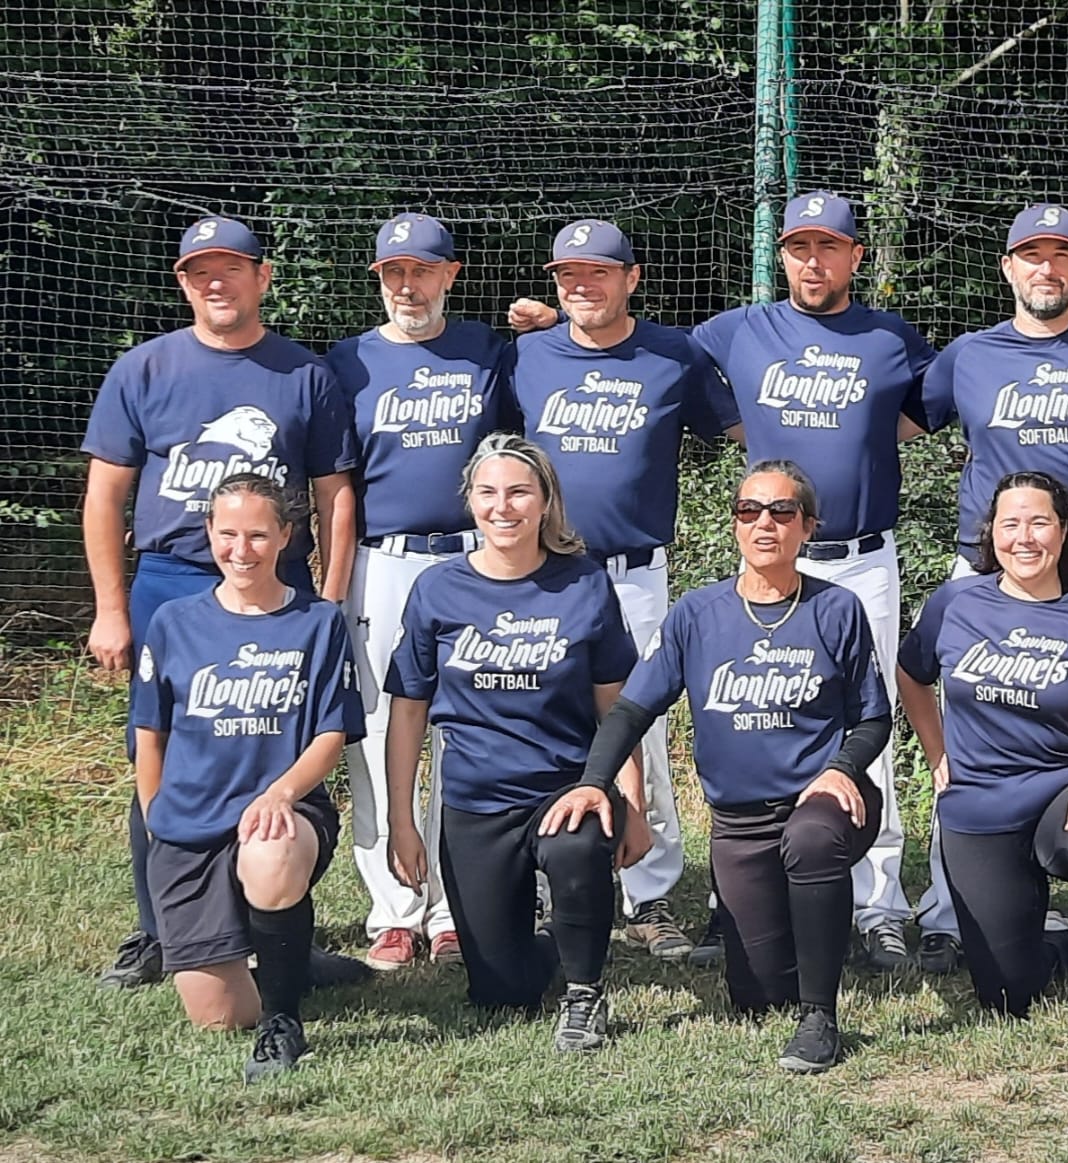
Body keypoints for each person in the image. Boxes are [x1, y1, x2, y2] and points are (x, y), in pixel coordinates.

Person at [511, 191, 936, 971]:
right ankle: (735, 896)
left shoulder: (890, 335)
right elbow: (652, 359)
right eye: (799, 248)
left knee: (864, 729)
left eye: (828, 247)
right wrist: (556, 325)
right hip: (771, 554)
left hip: (860, 556)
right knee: (744, 717)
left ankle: (878, 901)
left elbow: (915, 415)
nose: (813, 261)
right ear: (782, 257)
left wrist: (856, 440)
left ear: (855, 256)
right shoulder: (732, 332)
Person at [82, 216, 363, 990]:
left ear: (261, 277)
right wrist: (112, 608)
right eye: (199, 270)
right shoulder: (145, 367)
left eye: (231, 268)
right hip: (173, 575)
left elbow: (336, 496)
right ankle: (158, 929)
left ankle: (282, 933)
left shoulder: (302, 373)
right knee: (166, 753)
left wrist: (329, 599)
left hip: (280, 577)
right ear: (182, 282)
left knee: (283, 749)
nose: (216, 282)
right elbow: (105, 497)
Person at [907, 205, 1068, 978]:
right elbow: (892, 424)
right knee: (966, 736)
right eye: (1031, 256)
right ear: (1008, 268)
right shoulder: (968, 355)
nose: (1045, 270)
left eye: (1061, 256)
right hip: (978, 571)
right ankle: (948, 914)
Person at [578, 460, 891, 1073]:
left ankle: (821, 1016)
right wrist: (594, 783)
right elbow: (629, 712)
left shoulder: (837, 608)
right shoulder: (697, 615)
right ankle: (816, 932)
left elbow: (875, 719)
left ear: (808, 527)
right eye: (750, 511)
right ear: (735, 526)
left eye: (782, 512)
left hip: (822, 802)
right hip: (739, 822)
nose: (764, 523)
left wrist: (842, 769)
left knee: (810, 840)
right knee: (755, 994)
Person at [512, 218, 742, 961]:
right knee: (545, 719)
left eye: (598, 272)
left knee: (641, 721)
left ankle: (648, 891)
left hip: (635, 570)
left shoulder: (673, 355)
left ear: (632, 278)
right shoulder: (526, 355)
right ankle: (556, 883)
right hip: (546, 571)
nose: (582, 286)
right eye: (568, 276)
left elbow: (739, 430)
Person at [383, 434, 651, 1049]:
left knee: (578, 850)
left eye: (519, 493)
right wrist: (403, 818)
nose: (503, 507)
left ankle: (585, 993)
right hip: (476, 801)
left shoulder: (583, 585)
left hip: (567, 790)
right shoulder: (437, 590)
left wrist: (631, 804)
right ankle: (554, 943)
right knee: (502, 992)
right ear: (470, 502)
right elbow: (408, 711)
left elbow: (619, 706)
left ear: (545, 502)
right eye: (488, 493)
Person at [898, 472, 1068, 1081]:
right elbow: (912, 676)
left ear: (1064, 532)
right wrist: (938, 756)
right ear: (992, 534)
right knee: (1007, 999)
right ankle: (1058, 943)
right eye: (1010, 524)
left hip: (1066, 794)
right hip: (979, 805)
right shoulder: (956, 603)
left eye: (1039, 522)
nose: (1025, 537)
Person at [130, 473, 365, 1082]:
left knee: (270, 849)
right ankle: (296, 960)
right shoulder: (175, 622)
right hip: (192, 821)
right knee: (218, 1016)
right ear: (208, 533)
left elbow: (331, 734)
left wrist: (282, 792)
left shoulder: (317, 622)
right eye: (228, 533)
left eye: (259, 534)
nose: (242, 549)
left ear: (287, 536)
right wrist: (156, 813)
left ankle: (283, 1020)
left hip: (282, 812)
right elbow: (150, 732)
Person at [324, 213, 513, 971]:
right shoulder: (349, 362)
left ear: (450, 275)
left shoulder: (484, 352)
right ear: (379, 279)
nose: (409, 285)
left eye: (423, 270)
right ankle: (394, 908)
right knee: (375, 733)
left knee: (462, 730)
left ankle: (449, 906)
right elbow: (330, 481)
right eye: (394, 272)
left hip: (469, 556)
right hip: (386, 558)